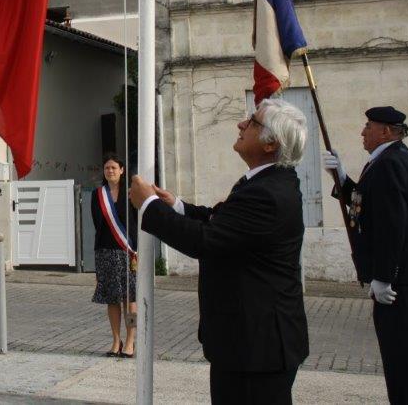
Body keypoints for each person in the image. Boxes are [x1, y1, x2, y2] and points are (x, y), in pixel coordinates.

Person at [129, 98, 309, 405]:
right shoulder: (267, 182)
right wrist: (177, 206)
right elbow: (223, 221)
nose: (241, 125)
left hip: (257, 348)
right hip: (249, 343)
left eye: (253, 123)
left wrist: (149, 207)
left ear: (270, 144)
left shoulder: (267, 193)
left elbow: (206, 241)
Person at [323, 106, 408, 405]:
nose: (362, 131)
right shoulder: (387, 159)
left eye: (368, 126)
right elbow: (366, 203)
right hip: (402, 273)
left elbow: (390, 226)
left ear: (386, 131)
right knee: (398, 357)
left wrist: (384, 277)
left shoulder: (390, 163)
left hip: (400, 277)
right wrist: (342, 177)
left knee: (402, 360)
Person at [90, 153, 139, 358]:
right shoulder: (97, 194)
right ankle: (115, 340)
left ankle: (130, 341)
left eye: (113, 168)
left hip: (128, 252)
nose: (110, 171)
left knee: (130, 298)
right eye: (107, 168)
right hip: (105, 251)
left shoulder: (131, 193)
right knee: (112, 298)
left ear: (122, 170)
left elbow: (137, 220)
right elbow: (97, 222)